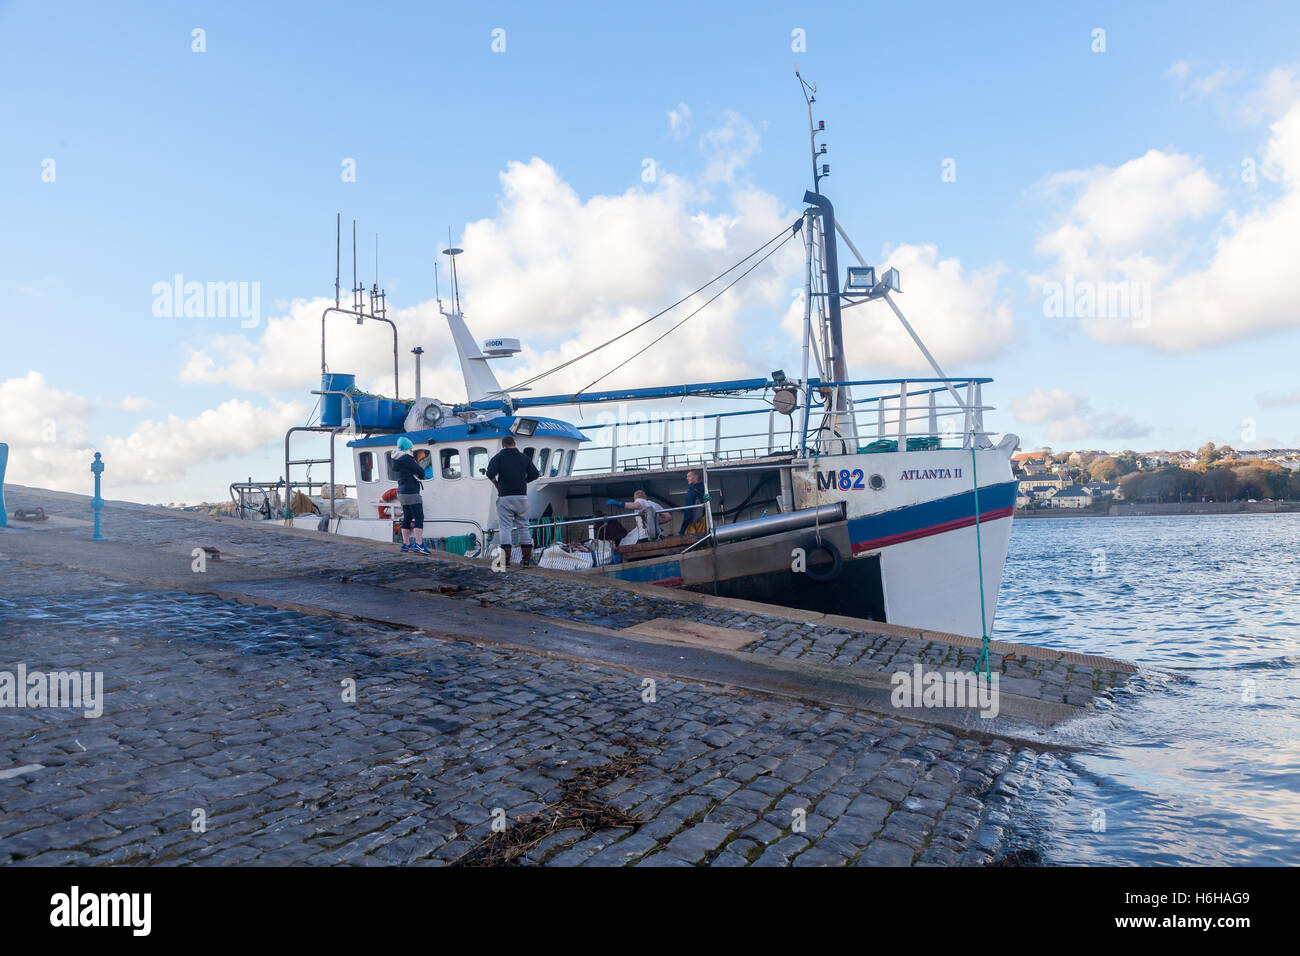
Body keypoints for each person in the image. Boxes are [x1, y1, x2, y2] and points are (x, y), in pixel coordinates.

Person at [486, 435, 540, 567]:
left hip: (505, 497)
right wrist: (523, 481)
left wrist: (496, 484)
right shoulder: (524, 458)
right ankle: (526, 560)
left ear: (503, 445)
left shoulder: (498, 457)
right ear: (514, 443)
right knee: (524, 527)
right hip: (522, 497)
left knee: (505, 528)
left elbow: (490, 473)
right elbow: (535, 474)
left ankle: (506, 561)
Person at [391, 437, 431, 555]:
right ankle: (419, 544)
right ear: (407, 448)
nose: (412, 449)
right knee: (419, 517)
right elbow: (422, 472)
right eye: (411, 447)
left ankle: (406, 544)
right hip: (411, 492)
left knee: (407, 517)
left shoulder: (396, 460)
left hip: (401, 492)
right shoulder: (407, 459)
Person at [679, 468, 706, 536]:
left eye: (689, 476)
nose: (687, 478)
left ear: (696, 477)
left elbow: (688, 514)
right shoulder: (704, 488)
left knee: (694, 544)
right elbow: (708, 500)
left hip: (694, 524)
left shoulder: (691, 493)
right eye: (687, 476)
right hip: (703, 521)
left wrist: (682, 530)